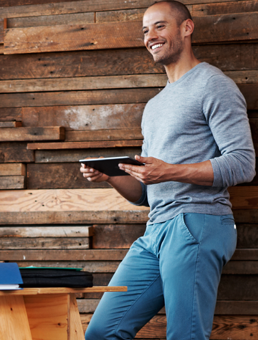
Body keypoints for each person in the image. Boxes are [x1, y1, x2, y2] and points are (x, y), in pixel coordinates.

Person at [80, 1, 255, 339]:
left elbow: (243, 163)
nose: (151, 36)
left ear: (186, 28)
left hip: (197, 222)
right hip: (156, 229)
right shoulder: (155, 106)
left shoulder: (213, 84)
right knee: (102, 332)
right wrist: (112, 175)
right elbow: (146, 193)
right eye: (146, 30)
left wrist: (171, 171)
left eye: (160, 26)